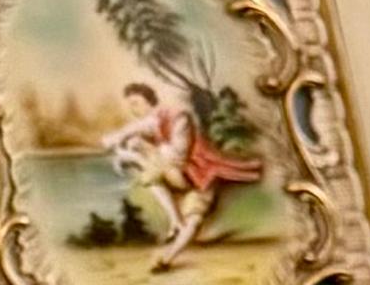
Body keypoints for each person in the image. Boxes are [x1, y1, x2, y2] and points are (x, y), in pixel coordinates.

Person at [103, 74, 266, 271]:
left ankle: (168, 254)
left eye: (136, 103)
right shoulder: (155, 122)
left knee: (194, 219)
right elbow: (139, 129)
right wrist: (123, 140)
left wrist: (140, 148)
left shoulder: (178, 116)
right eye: (131, 105)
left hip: (200, 175)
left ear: (148, 101)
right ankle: (173, 229)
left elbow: (177, 155)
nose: (133, 109)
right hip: (178, 176)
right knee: (149, 172)